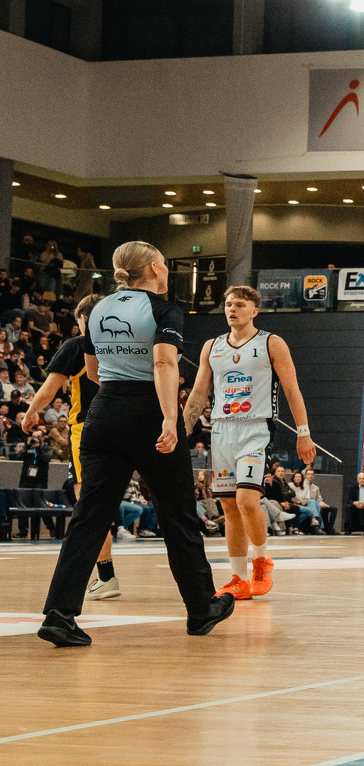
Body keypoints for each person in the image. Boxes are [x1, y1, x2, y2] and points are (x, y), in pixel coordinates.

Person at [38, 241, 234, 646]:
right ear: (155, 269)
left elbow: (94, 371)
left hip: (104, 411)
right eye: (163, 262)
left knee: (88, 517)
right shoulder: (163, 310)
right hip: (149, 409)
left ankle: (59, 614)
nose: (166, 269)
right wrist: (168, 418)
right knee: (178, 514)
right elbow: (163, 362)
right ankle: (201, 609)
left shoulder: (99, 310)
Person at [184, 284, 317, 597]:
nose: (232, 309)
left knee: (246, 500)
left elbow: (292, 389)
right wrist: (181, 428)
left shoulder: (271, 343)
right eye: (228, 304)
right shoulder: (212, 346)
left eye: (240, 305)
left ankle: (261, 559)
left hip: (256, 428)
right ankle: (239, 578)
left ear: (255, 310)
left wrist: (303, 432)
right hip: (222, 430)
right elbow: (199, 393)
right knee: (229, 505)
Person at [22, 294, 118, 598]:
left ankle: (105, 576)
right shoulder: (123, 346)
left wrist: (31, 413)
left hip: (87, 430)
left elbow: (49, 388)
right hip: (121, 428)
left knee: (87, 504)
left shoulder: (77, 346)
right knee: (105, 502)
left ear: (83, 318)